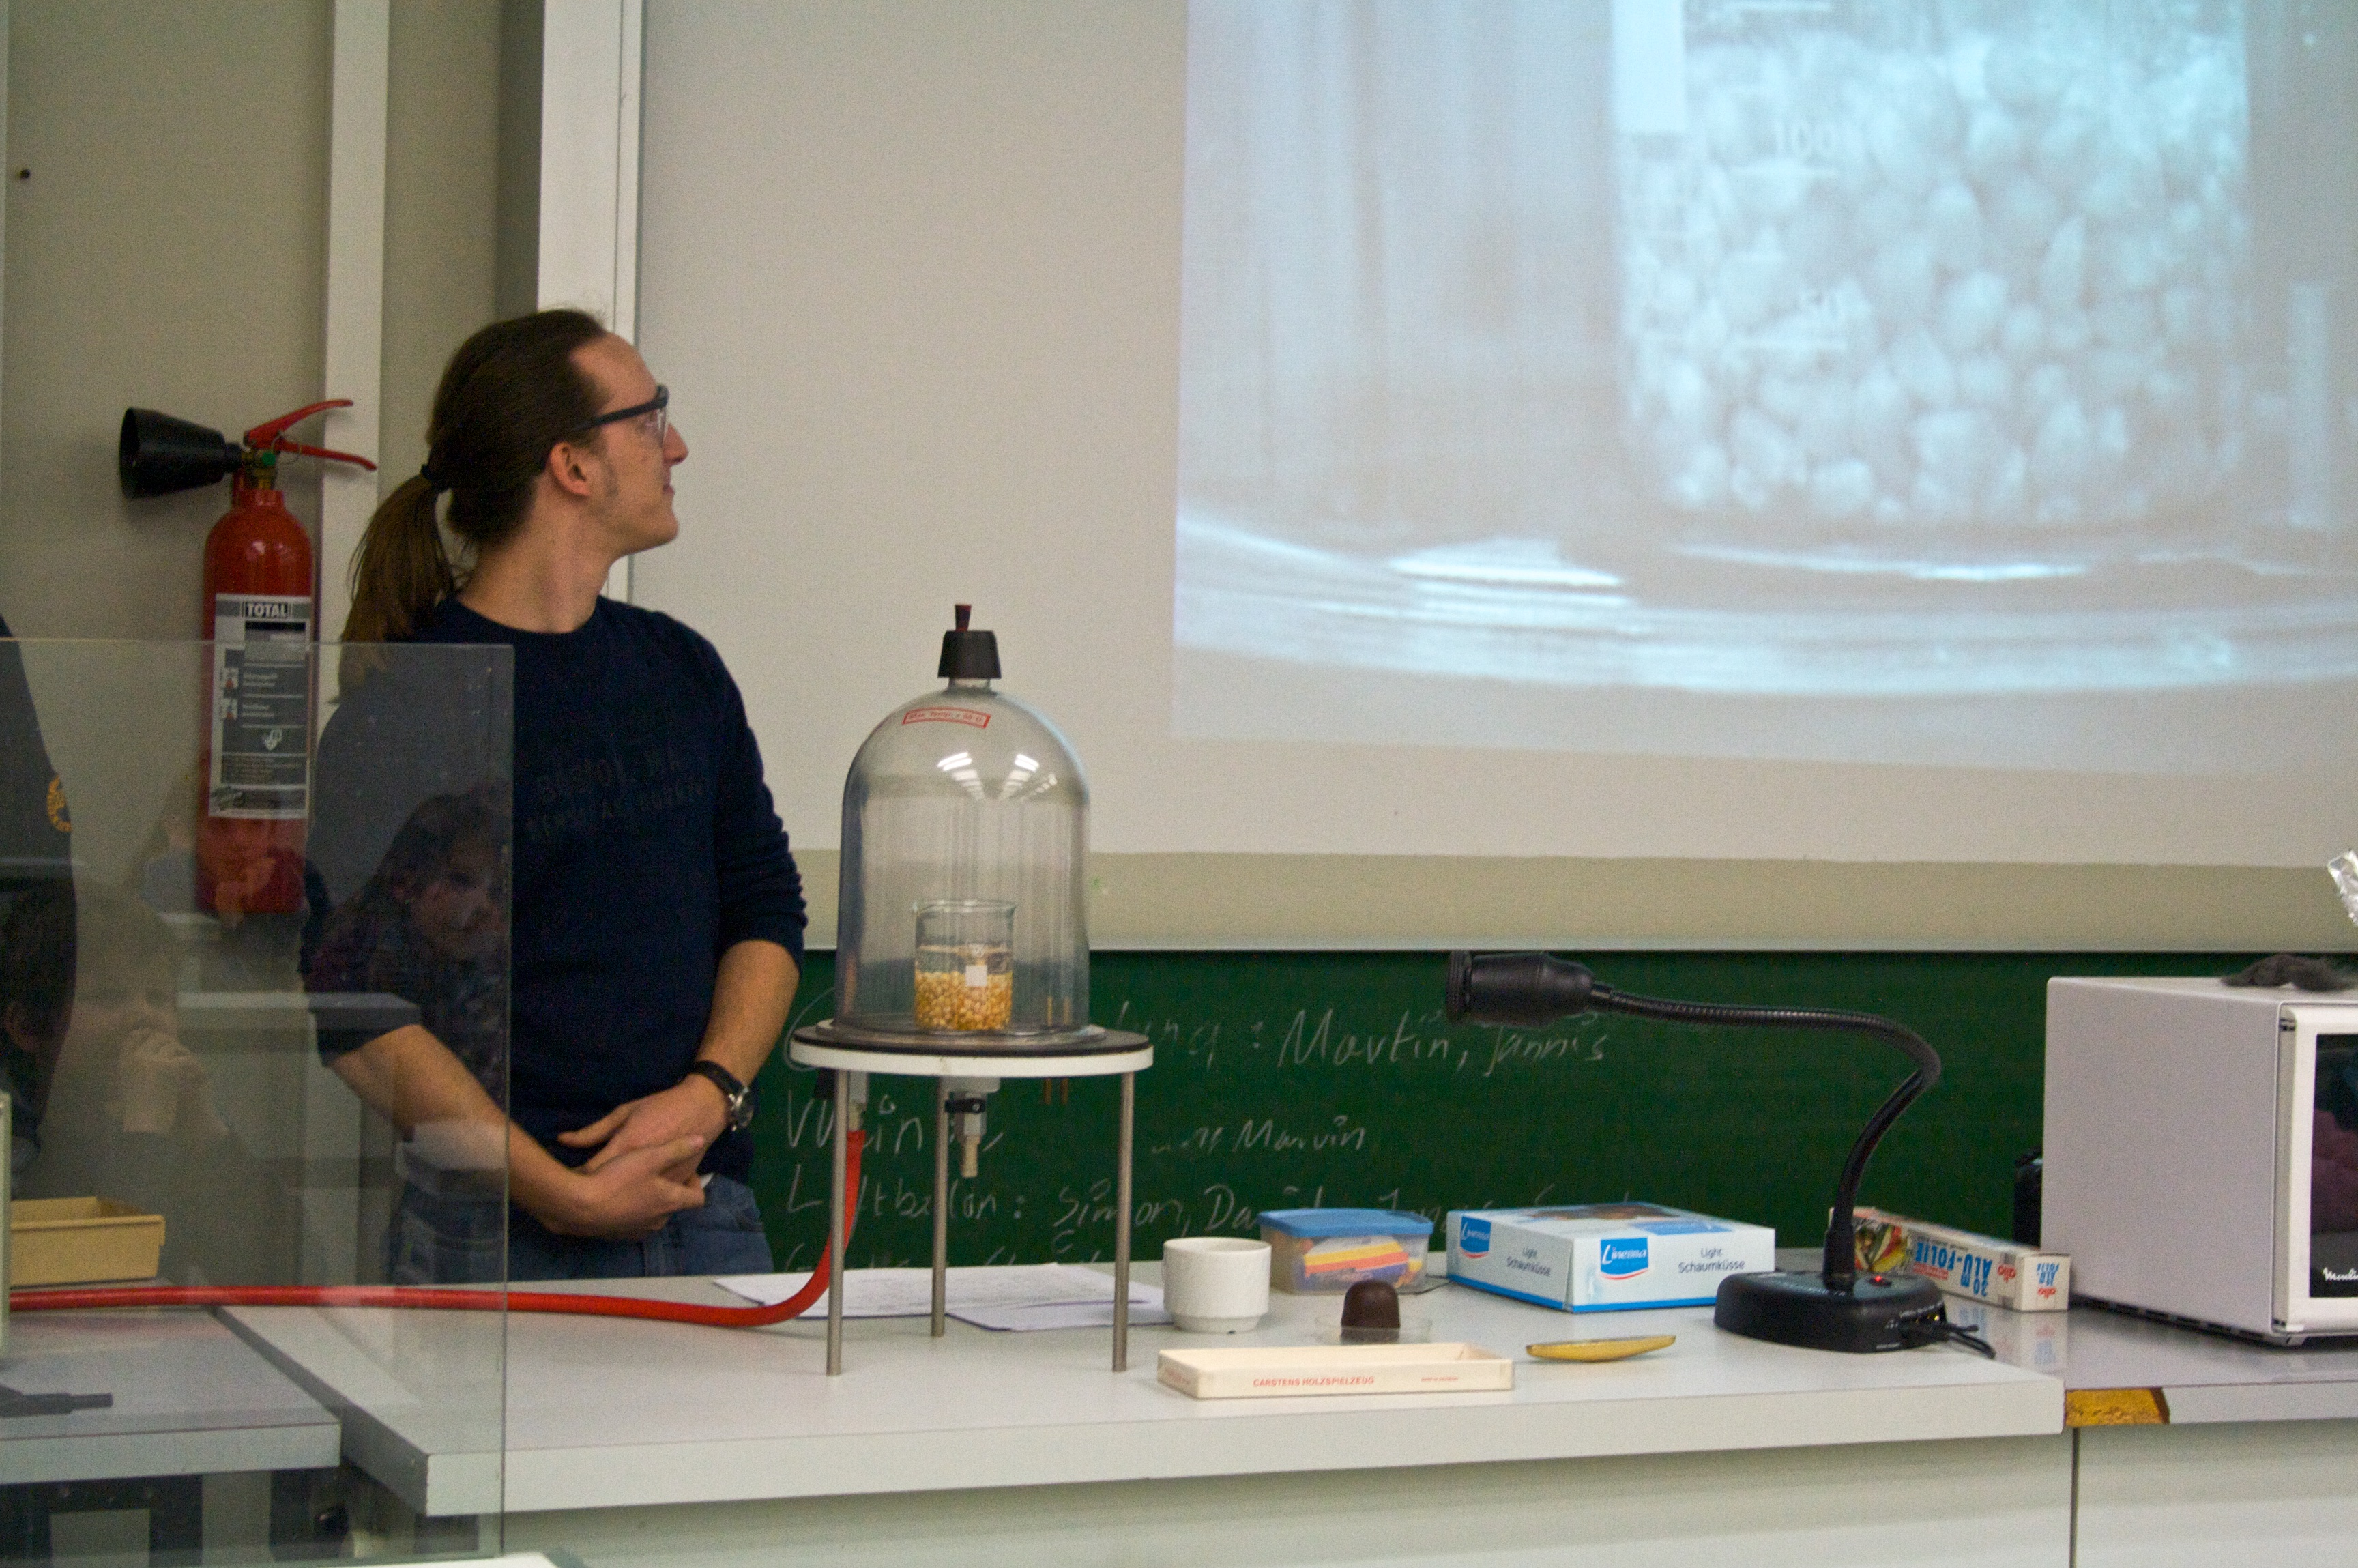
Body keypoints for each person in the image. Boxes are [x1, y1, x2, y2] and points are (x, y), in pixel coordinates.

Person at [318, 308, 806, 1280]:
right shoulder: (407, 704)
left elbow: (766, 910)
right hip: (496, 1238)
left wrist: (708, 1095)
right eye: (649, 418)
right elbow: (360, 1014)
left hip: (701, 1205)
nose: (676, 445)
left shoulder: (680, 670)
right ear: (572, 466)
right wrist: (559, 1191)